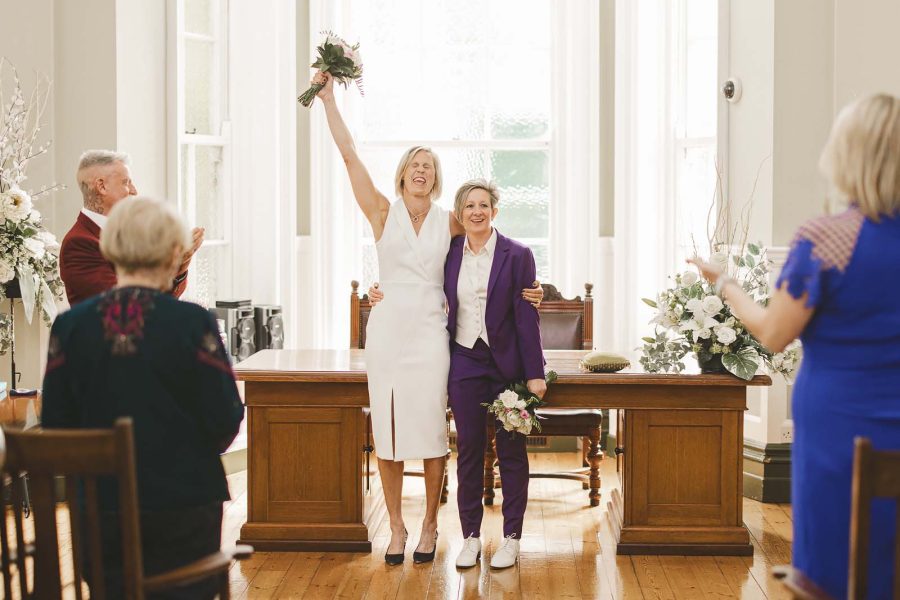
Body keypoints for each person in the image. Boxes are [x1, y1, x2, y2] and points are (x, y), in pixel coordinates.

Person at [312, 71, 542, 564]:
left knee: (432, 431)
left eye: (430, 166)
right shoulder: (380, 211)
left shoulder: (450, 221)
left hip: (434, 336)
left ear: (437, 180)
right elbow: (349, 154)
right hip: (389, 328)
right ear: (401, 174)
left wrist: (532, 287)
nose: (422, 171)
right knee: (390, 433)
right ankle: (395, 527)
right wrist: (330, 99)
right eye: (415, 165)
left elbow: (492, 241)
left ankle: (432, 526)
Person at [690, 93, 900, 599]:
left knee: (836, 569)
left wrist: (725, 283)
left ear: (848, 156)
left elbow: (773, 332)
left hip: (840, 427)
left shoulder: (827, 239)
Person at [42, 196, 244, 599]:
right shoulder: (192, 323)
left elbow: (57, 429)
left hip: (99, 517)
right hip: (183, 511)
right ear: (174, 252)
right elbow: (225, 418)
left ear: (110, 248)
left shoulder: (69, 327)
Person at [369, 180, 546, 570]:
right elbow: (411, 276)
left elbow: (526, 314)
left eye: (484, 205)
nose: (476, 212)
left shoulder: (518, 254)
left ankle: (512, 538)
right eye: (469, 206)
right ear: (460, 214)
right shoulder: (449, 253)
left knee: (512, 453)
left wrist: (535, 372)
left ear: (494, 211)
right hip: (464, 362)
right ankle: (471, 537)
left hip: (509, 368)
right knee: (468, 450)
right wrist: (379, 291)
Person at [59, 150, 203, 305]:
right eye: (126, 182)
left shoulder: (132, 234)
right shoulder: (79, 244)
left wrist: (179, 265)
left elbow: (162, 304)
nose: (134, 191)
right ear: (101, 186)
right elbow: (124, 305)